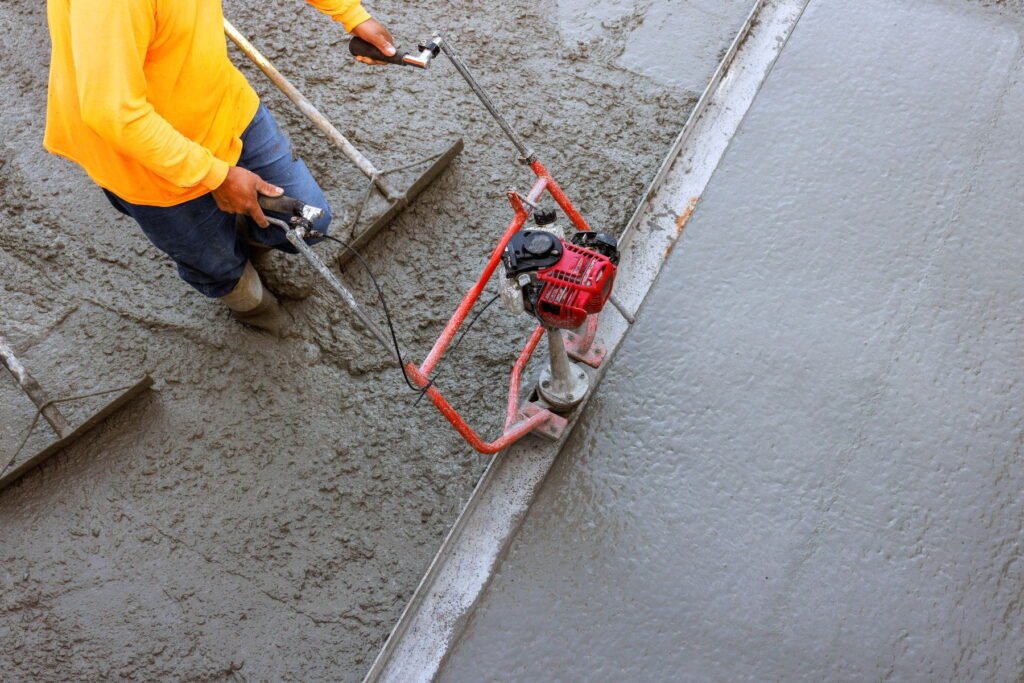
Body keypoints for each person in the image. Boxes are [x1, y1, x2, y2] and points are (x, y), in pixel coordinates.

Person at [44, 0, 396, 334]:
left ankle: (248, 233)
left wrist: (351, 14)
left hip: (222, 106)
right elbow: (113, 114)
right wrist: (215, 176)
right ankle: (252, 305)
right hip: (144, 163)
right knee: (218, 266)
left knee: (313, 222)